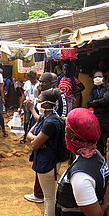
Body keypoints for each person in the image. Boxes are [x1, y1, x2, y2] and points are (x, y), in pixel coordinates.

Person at [23, 72, 67, 203]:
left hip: (50, 136)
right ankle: (40, 193)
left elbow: (53, 120)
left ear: (52, 83)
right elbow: (38, 123)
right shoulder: (44, 96)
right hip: (43, 133)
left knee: (46, 165)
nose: (40, 84)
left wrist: (32, 109)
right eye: (39, 81)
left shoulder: (56, 100)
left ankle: (40, 194)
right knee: (42, 164)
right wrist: (34, 138)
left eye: (43, 82)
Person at [27, 90, 64, 216]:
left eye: (40, 99)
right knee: (48, 195)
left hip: (48, 163)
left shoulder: (51, 123)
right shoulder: (46, 118)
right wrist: (36, 140)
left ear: (47, 103)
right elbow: (30, 134)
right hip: (46, 161)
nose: (37, 101)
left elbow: (33, 143)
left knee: (49, 197)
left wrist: (35, 141)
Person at [87, 70, 109, 155]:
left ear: (103, 78)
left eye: (99, 77)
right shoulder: (92, 90)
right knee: (97, 141)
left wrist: (95, 102)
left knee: (107, 140)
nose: (97, 78)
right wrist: (100, 101)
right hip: (96, 118)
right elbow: (88, 103)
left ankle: (108, 161)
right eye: (95, 77)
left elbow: (106, 100)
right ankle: (100, 160)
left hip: (107, 118)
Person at [19, 71, 40, 144]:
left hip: (36, 104)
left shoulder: (39, 84)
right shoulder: (27, 83)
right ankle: (25, 135)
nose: (31, 80)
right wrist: (20, 106)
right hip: (27, 103)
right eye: (30, 78)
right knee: (26, 120)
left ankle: (33, 136)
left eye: (33, 78)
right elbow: (23, 95)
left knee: (35, 121)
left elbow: (40, 94)